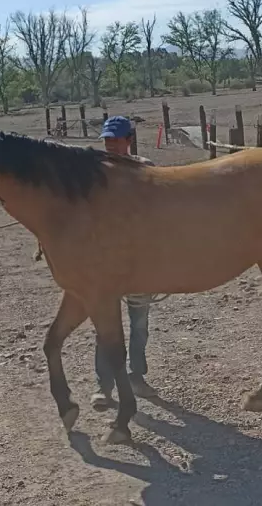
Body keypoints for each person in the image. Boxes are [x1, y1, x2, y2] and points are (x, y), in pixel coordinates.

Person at [91, 116, 158, 409]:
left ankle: (136, 377)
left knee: (139, 324)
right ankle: (104, 386)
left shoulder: (146, 169)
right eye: (106, 139)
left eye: (115, 139)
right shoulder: (93, 171)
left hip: (139, 260)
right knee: (105, 324)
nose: (110, 144)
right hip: (105, 259)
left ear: (128, 139)